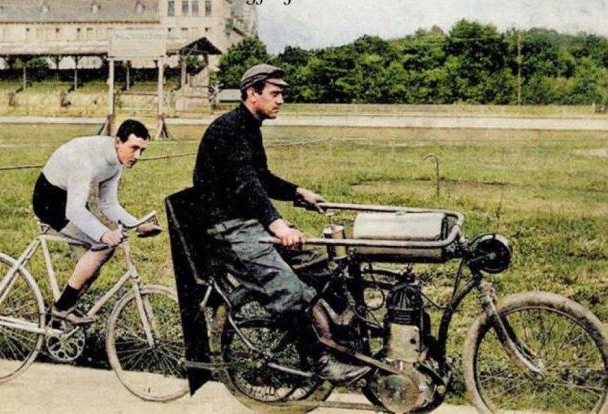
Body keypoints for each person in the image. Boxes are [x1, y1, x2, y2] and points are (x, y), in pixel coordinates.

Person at [193, 64, 370, 383]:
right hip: (226, 228)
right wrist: (278, 226)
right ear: (252, 94)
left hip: (246, 221)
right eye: (274, 94)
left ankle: (343, 337)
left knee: (320, 265)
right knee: (289, 289)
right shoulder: (228, 129)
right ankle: (319, 361)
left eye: (281, 94)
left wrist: (299, 192)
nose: (281, 100)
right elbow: (246, 184)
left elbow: (260, 176)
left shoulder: (249, 126)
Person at [32, 119, 161, 324]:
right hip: (50, 201)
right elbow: (74, 210)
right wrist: (104, 234)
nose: (137, 156)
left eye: (142, 150)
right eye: (134, 148)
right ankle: (60, 309)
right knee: (102, 246)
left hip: (72, 200)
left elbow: (109, 204)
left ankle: (57, 321)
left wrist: (137, 225)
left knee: (94, 264)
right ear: (118, 141)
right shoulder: (86, 158)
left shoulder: (116, 162)